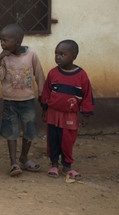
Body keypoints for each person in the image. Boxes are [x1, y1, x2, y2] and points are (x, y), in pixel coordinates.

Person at [0, 24, 45, 177]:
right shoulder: (3, 57)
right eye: (0, 40)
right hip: (10, 102)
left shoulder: (31, 54)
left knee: (29, 131)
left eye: (5, 40)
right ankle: (13, 163)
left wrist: (42, 93)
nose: (2, 43)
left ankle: (24, 157)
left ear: (18, 41)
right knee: (11, 132)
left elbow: (39, 74)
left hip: (27, 100)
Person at [41, 40, 93, 180]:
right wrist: (44, 108)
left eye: (62, 54)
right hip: (53, 113)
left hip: (69, 115)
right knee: (53, 139)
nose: (58, 57)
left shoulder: (81, 75)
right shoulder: (53, 73)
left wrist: (86, 114)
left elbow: (87, 95)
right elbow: (46, 92)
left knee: (67, 140)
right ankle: (54, 164)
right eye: (56, 54)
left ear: (73, 56)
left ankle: (67, 167)